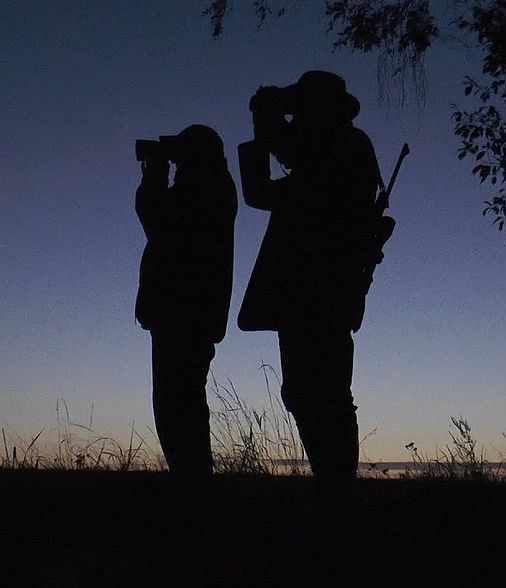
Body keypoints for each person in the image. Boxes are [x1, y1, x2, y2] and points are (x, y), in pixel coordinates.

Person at [237, 71, 382, 480]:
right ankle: (333, 487)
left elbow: (283, 165)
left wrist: (266, 119)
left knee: (325, 394)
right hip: (304, 293)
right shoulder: (332, 151)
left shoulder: (345, 147)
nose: (296, 118)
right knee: (306, 392)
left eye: (303, 109)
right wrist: (268, 123)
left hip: (323, 291)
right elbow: (261, 192)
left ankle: (336, 490)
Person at [135, 124, 237, 476]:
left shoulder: (203, 189)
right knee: (181, 399)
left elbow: (157, 220)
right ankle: (192, 479)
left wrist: (155, 176)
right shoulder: (213, 186)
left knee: (177, 402)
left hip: (183, 313)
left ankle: (192, 483)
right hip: (190, 313)